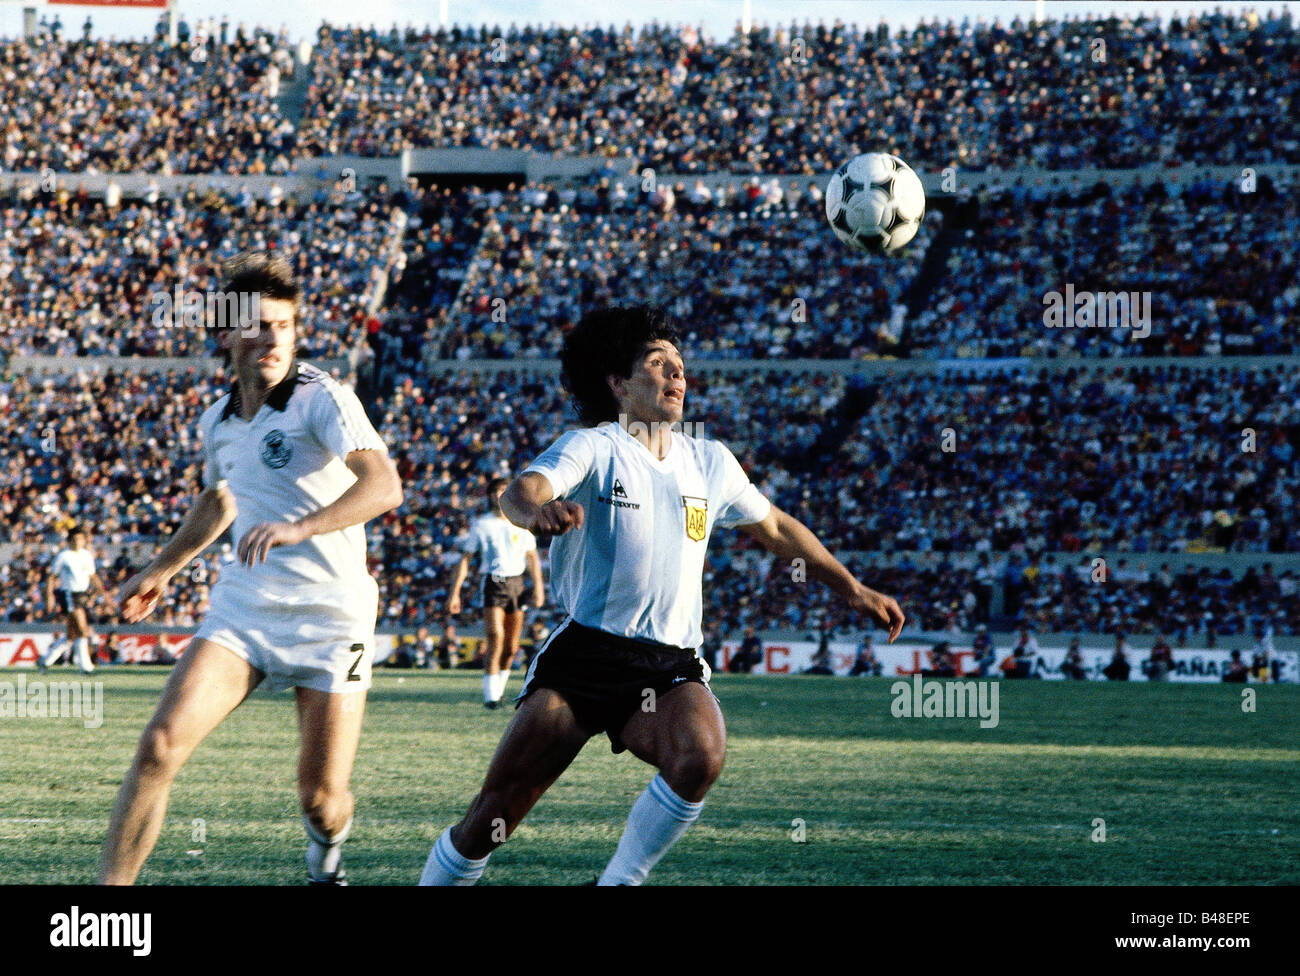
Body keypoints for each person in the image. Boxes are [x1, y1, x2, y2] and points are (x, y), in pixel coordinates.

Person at [418, 305, 904, 886]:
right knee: (490, 819)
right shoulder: (595, 446)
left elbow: (775, 527)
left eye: (679, 364)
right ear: (618, 384)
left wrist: (849, 587)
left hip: (668, 663)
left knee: (700, 755)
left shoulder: (710, 460)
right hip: (584, 659)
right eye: (658, 363)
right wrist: (537, 512)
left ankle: (620, 882)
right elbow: (520, 491)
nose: (677, 375)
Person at [98, 252, 403, 886]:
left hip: (333, 613)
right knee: (158, 747)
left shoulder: (324, 399)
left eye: (284, 325)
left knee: (320, 799)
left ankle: (326, 862)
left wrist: (300, 528)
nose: (272, 338)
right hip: (245, 609)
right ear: (225, 334)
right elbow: (221, 499)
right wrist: (162, 568)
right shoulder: (217, 420)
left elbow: (384, 486)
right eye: (258, 325)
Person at [447, 476, 545, 708]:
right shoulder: (482, 524)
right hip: (494, 582)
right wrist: (455, 592)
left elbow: (532, 557)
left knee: (511, 646)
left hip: (517, 584)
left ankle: (498, 692)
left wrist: (538, 587)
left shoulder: (522, 522)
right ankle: (490, 697)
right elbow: (466, 558)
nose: (498, 495)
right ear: (490, 496)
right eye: (495, 491)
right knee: (495, 637)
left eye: (503, 490)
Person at [40, 527, 107, 675]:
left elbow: (93, 576)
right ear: (69, 540)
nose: (78, 542)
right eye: (75, 539)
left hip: (83, 595)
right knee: (83, 630)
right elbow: (51, 577)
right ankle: (85, 667)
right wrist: (49, 597)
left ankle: (45, 660)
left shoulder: (86, 556)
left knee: (71, 635)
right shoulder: (63, 556)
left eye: (81, 539)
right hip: (69, 594)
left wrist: (103, 594)